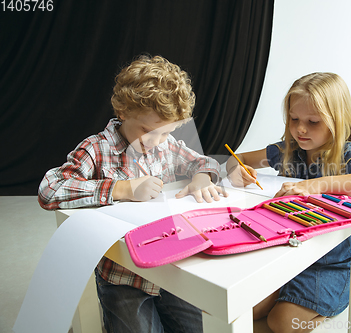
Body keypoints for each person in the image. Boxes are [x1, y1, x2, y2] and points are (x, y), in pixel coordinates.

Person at [38, 55, 227, 332]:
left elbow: (205, 162)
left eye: (165, 133)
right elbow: (49, 189)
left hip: (169, 269)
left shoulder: (166, 145)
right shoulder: (97, 148)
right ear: (124, 111)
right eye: (147, 131)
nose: (155, 142)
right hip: (122, 278)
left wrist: (201, 177)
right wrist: (121, 188)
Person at [226, 72, 351, 332]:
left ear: (336, 121)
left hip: (332, 266)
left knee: (281, 322)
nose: (300, 129)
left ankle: (331, 305)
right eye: (294, 119)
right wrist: (236, 170)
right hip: (289, 256)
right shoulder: (289, 150)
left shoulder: (346, 156)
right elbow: (237, 158)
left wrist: (316, 185)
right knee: (248, 311)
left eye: (313, 122)